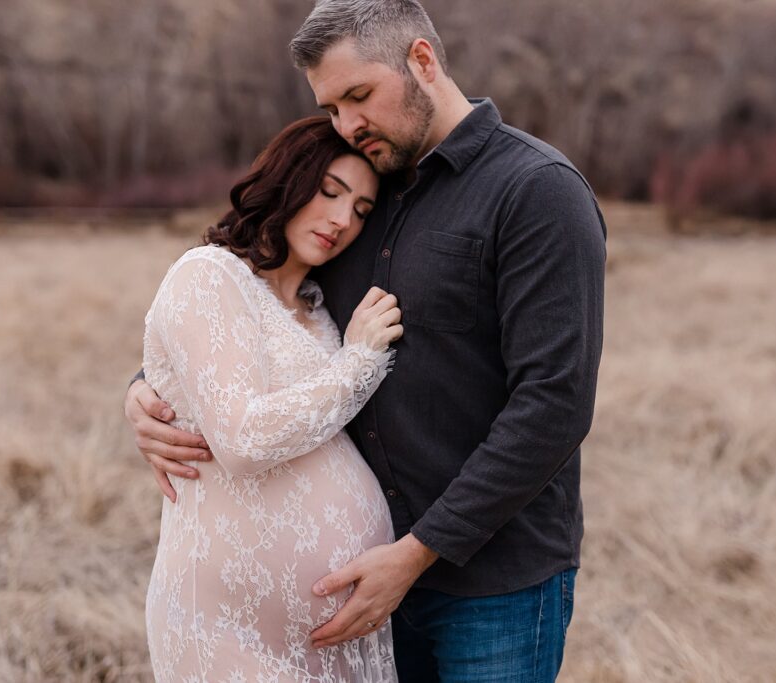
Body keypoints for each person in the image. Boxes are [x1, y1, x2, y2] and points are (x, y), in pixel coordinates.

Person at [126, 1, 607, 680]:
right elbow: (255, 313)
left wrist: (416, 552)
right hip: (360, 594)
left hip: (493, 582)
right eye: (330, 110)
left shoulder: (534, 191)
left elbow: (555, 403)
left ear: (422, 60)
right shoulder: (363, 187)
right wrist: (144, 390)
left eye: (358, 96)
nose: (348, 125)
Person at [140, 117, 404, 682]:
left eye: (360, 210)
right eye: (330, 192)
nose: (341, 220)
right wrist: (359, 361)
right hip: (227, 625)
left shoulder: (319, 303)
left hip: (335, 637)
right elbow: (242, 439)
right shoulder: (208, 276)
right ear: (287, 180)